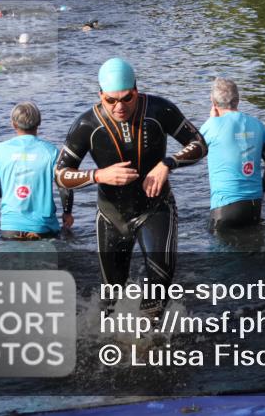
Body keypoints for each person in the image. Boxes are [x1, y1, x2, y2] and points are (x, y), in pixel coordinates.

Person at [55, 58, 207, 316]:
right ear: (100, 94)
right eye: (111, 100)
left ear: (136, 89)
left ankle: (149, 345)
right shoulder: (86, 125)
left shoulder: (159, 110)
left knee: (159, 286)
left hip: (155, 209)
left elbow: (199, 144)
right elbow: (61, 174)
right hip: (111, 215)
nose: (119, 107)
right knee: (110, 300)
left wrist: (167, 163)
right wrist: (98, 175)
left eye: (127, 98)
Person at [0, 102, 72, 240]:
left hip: (10, 228)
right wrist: (67, 212)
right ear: (39, 122)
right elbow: (65, 186)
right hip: (43, 228)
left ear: (13, 124)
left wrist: (6, 191)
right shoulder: (51, 151)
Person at [201, 78, 265, 233]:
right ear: (238, 99)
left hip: (224, 209)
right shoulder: (258, 124)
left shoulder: (210, 125)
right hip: (254, 206)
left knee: (220, 255)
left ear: (212, 100)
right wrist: (262, 189)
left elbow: (191, 153)